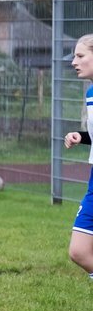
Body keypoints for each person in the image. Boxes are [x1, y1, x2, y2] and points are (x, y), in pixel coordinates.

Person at [63, 33, 93, 277]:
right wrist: (82, 137)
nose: (74, 61)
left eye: (80, 55)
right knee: (79, 251)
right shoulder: (91, 93)